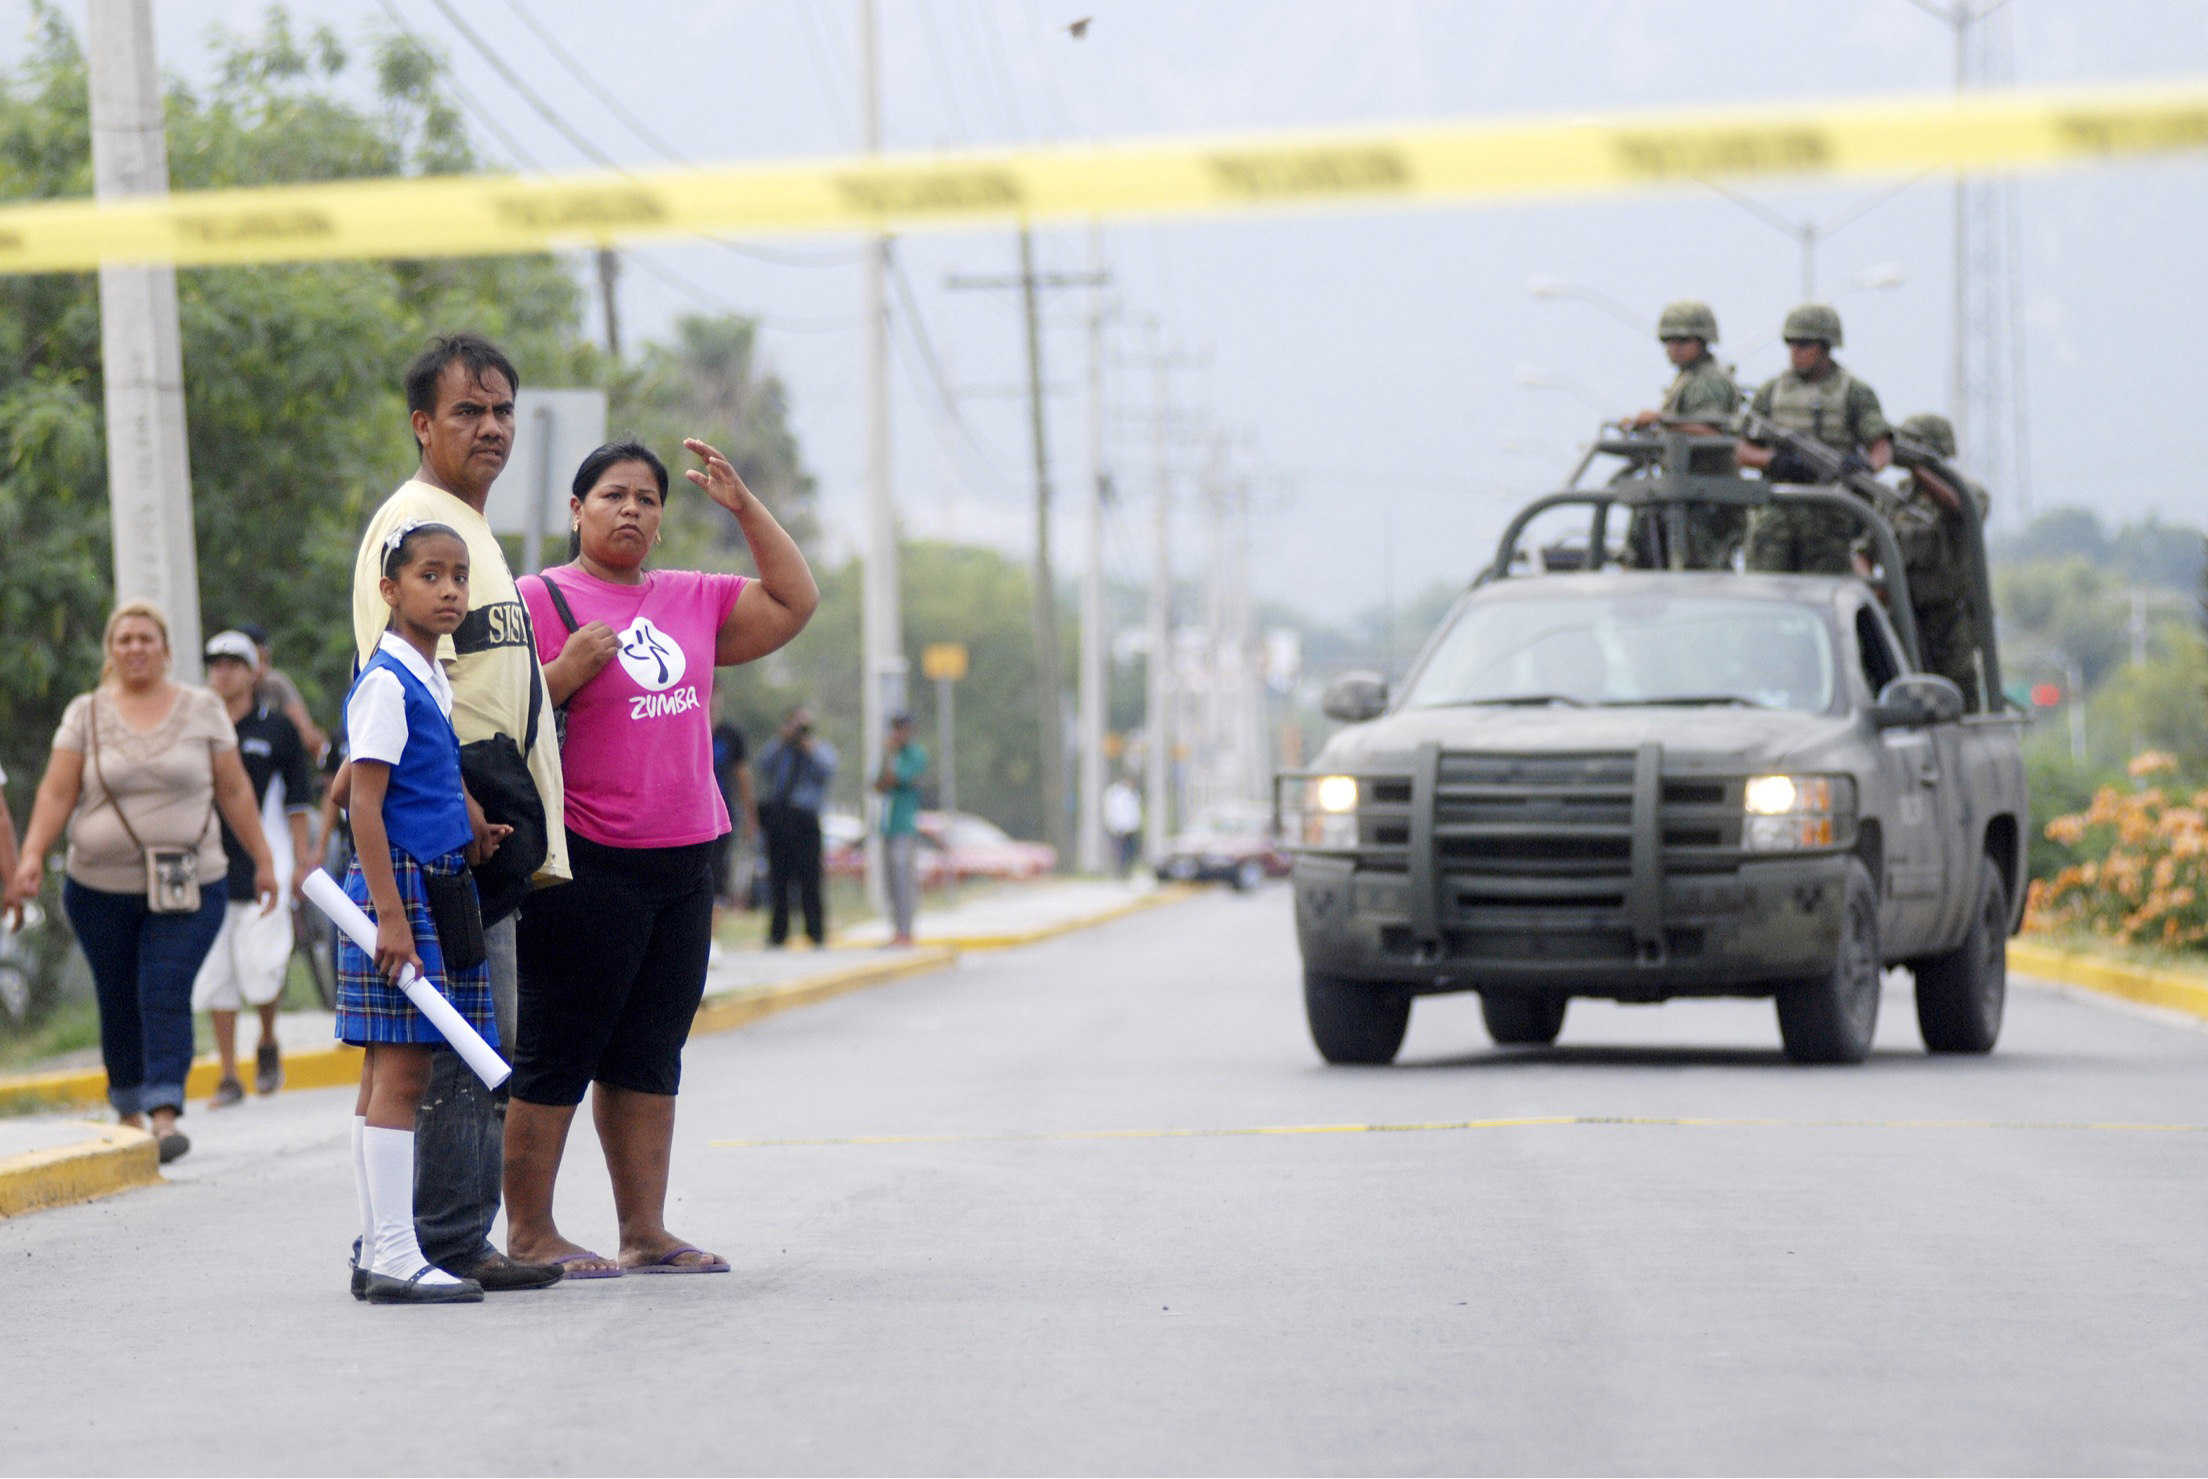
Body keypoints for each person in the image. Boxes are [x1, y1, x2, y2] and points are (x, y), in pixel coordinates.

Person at [506, 436, 816, 1277]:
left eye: (647, 497)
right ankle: (531, 1231)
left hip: (684, 859)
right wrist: (565, 671)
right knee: (559, 1048)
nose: (632, 509)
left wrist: (744, 507)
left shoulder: (694, 597)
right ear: (577, 510)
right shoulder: (538, 596)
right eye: (613, 495)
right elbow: (490, 711)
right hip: (586, 860)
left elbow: (793, 600)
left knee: (650, 1050)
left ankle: (644, 1230)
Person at [344, 332, 568, 1293]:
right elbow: (386, 724)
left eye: (503, 410)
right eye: (468, 411)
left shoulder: (473, 533)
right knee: (446, 1054)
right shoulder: (411, 525)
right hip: (428, 851)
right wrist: (416, 867)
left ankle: (450, 1235)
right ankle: (429, 1239)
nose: (491, 427)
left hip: (474, 831)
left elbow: (464, 685)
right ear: (422, 424)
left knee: (477, 1043)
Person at [4, 603, 278, 1163]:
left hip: (191, 881)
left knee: (164, 987)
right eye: (124, 639)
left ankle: (163, 1110)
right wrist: (30, 857)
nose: (135, 648)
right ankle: (127, 1105)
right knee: (118, 994)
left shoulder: (202, 709)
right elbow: (57, 793)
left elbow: (234, 791)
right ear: (111, 649)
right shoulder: (86, 713)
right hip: (97, 886)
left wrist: (265, 859)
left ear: (165, 648)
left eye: (146, 639)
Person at [340, 520, 509, 1305]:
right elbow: (361, 805)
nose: (448, 591)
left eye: (458, 577)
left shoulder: (427, 675)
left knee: (386, 1070)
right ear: (390, 589)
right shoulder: (386, 681)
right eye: (430, 576)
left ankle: (381, 1248)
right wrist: (389, 916)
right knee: (403, 1071)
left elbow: (399, 779)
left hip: (433, 876)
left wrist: (465, 818)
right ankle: (399, 1254)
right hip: (400, 888)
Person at [193, 631, 316, 1106]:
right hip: (209, 861)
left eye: (233, 662)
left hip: (269, 854)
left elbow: (298, 801)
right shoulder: (196, 726)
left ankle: (266, 1037)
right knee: (214, 969)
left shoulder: (276, 728)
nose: (223, 671)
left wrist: (302, 862)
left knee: (264, 963)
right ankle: (228, 1073)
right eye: (215, 662)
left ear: (253, 671)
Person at [1737, 302, 1893, 574]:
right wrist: (1774, 460)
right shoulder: (1772, 391)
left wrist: (1862, 465)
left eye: (1804, 344)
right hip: (1777, 510)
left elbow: (1881, 445)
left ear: (1825, 346)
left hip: (1829, 515)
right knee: (1765, 592)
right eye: (1791, 344)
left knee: (1825, 593)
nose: (1795, 352)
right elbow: (1740, 450)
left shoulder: (1854, 391)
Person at [1625, 299, 1744, 569]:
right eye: (1669, 341)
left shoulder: (1708, 381)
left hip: (1707, 496)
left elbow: (1711, 433)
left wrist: (1663, 421)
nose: (1674, 348)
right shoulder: (1687, 379)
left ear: (1702, 340)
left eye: (1682, 340)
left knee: (1700, 573)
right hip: (1686, 492)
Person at [1890, 412, 1993, 708]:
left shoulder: (1967, 491)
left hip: (1950, 619)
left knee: (1958, 698)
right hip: (1905, 616)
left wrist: (1922, 470)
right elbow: (1865, 548)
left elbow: (1960, 508)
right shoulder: (1896, 497)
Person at [754, 706, 836, 948]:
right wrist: (782, 739)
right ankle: (778, 932)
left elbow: (828, 769)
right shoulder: (781, 750)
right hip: (779, 817)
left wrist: (808, 745)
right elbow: (762, 765)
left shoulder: (818, 749)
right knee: (778, 877)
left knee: (810, 877)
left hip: (805, 818)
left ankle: (815, 931)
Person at [235, 622, 328, 763]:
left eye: (265, 660)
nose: (260, 669)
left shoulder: (275, 685)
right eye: (254, 661)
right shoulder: (216, 694)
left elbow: (306, 735)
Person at [874, 713, 927, 946]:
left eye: (904, 729)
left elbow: (897, 779)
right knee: (890, 881)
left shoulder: (915, 755)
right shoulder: (890, 755)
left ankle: (906, 931)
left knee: (904, 880)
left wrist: (891, 756)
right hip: (888, 824)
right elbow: (878, 785)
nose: (899, 734)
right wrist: (888, 756)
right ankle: (896, 930)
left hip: (905, 825)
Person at [709, 718, 756, 907]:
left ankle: (714, 931)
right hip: (689, 815)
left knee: (718, 871)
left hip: (721, 814)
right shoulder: (686, 724)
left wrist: (750, 817)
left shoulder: (730, 734)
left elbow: (743, 776)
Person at [1102, 775, 1143, 877]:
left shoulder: (1133, 794)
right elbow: (1112, 811)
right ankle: (1120, 871)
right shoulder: (1115, 793)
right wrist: (1113, 825)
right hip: (1120, 828)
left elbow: (1135, 812)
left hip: (1131, 828)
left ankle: (1128, 870)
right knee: (1120, 852)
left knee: (1131, 851)